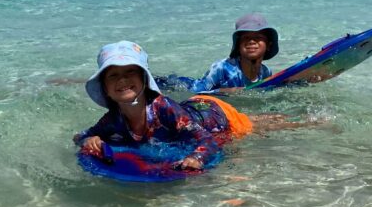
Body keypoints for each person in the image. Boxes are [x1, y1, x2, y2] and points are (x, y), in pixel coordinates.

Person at [74, 41, 255, 171]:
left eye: (130, 72)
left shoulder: (162, 107)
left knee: (256, 127)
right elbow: (80, 136)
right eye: (113, 75)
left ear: (145, 80)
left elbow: (207, 140)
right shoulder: (113, 119)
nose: (122, 79)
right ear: (105, 88)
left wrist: (196, 158)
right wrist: (90, 140)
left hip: (213, 113)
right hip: (188, 109)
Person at [159, 13, 280, 93]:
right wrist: (225, 92)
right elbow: (195, 92)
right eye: (246, 37)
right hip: (185, 85)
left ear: (268, 45)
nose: (252, 41)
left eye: (258, 37)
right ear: (238, 45)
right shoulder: (222, 68)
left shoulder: (265, 72)